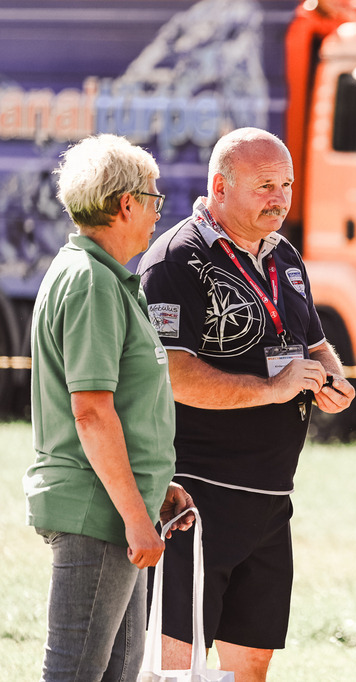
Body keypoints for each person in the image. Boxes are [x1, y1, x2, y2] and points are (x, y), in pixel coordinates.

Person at [137, 127, 355, 682]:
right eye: (264, 186)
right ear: (220, 186)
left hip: (270, 500)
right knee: (176, 669)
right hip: (195, 499)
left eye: (286, 184)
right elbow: (171, 375)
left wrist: (331, 378)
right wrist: (272, 388)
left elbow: (315, 342)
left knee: (250, 667)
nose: (280, 198)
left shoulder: (284, 255)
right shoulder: (176, 259)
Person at [24, 134, 195, 681]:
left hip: (118, 509)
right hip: (100, 513)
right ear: (126, 204)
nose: (156, 215)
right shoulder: (92, 282)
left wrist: (152, 485)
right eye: (154, 200)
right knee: (76, 673)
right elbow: (92, 412)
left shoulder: (102, 277)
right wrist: (134, 516)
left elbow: (119, 401)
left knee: (115, 673)